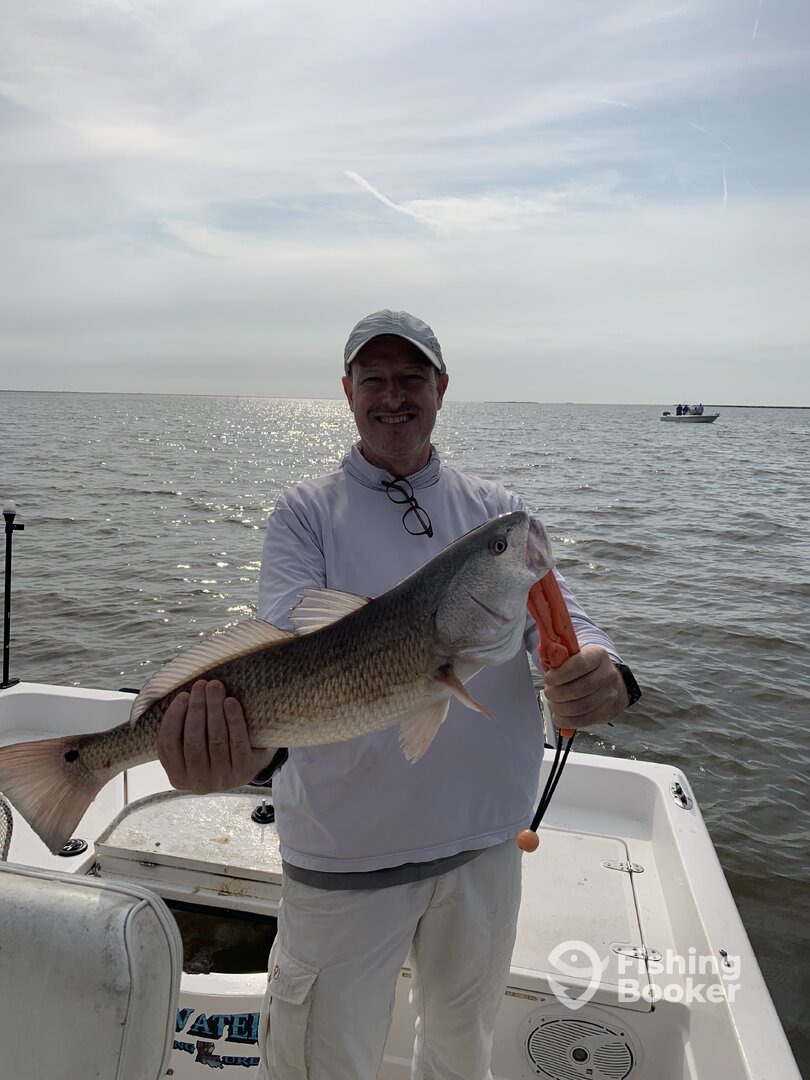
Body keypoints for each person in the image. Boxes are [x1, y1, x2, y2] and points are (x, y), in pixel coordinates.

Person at [157, 310, 640, 1080]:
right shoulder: (305, 513)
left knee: (461, 1053)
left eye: (411, 377)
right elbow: (287, 659)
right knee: (322, 1065)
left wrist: (603, 672)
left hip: (484, 846)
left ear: (441, 388)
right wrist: (236, 748)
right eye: (373, 379)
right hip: (344, 855)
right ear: (347, 391)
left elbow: (566, 619)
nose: (393, 395)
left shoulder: (499, 515)